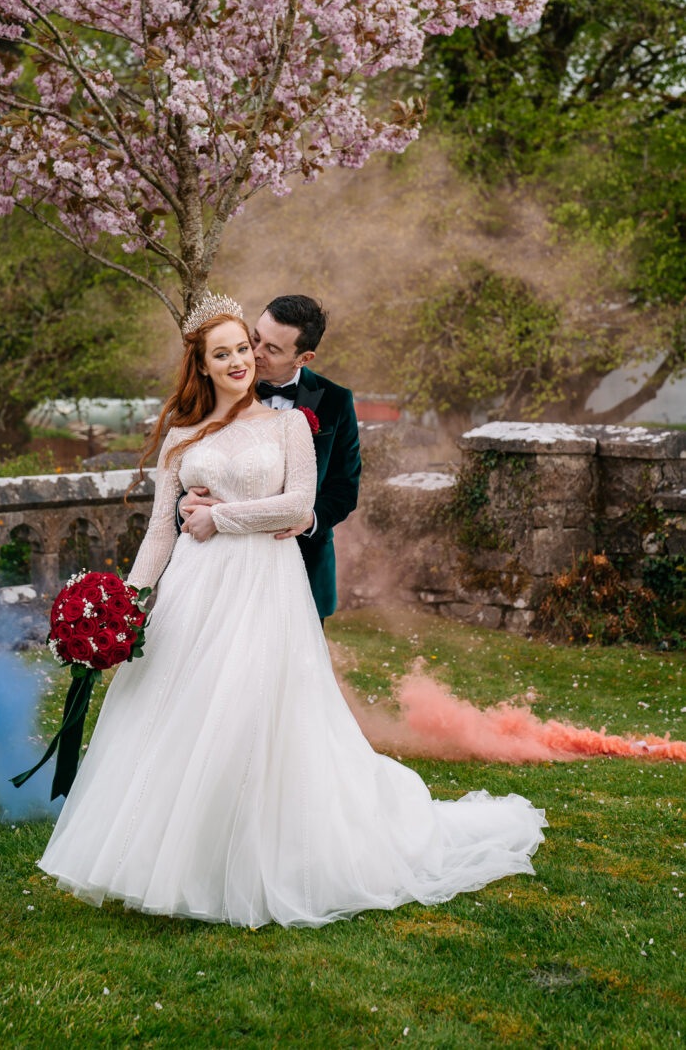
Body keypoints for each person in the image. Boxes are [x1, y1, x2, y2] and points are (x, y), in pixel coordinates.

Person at [37, 295, 547, 929]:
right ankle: (178, 855)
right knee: (182, 710)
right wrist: (123, 606)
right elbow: (160, 534)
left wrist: (217, 516)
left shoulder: (291, 425)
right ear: (200, 363)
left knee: (256, 713)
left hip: (265, 588)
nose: (240, 359)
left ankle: (261, 856)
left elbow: (301, 505)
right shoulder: (179, 436)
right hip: (195, 592)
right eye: (222, 351)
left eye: (245, 349)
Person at [177, 294, 360, 622]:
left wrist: (310, 518)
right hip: (221, 564)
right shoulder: (217, 389)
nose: (254, 354)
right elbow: (192, 464)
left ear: (303, 358)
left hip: (301, 565)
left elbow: (345, 487)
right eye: (255, 338)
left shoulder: (335, 401)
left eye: (272, 349)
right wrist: (184, 503)